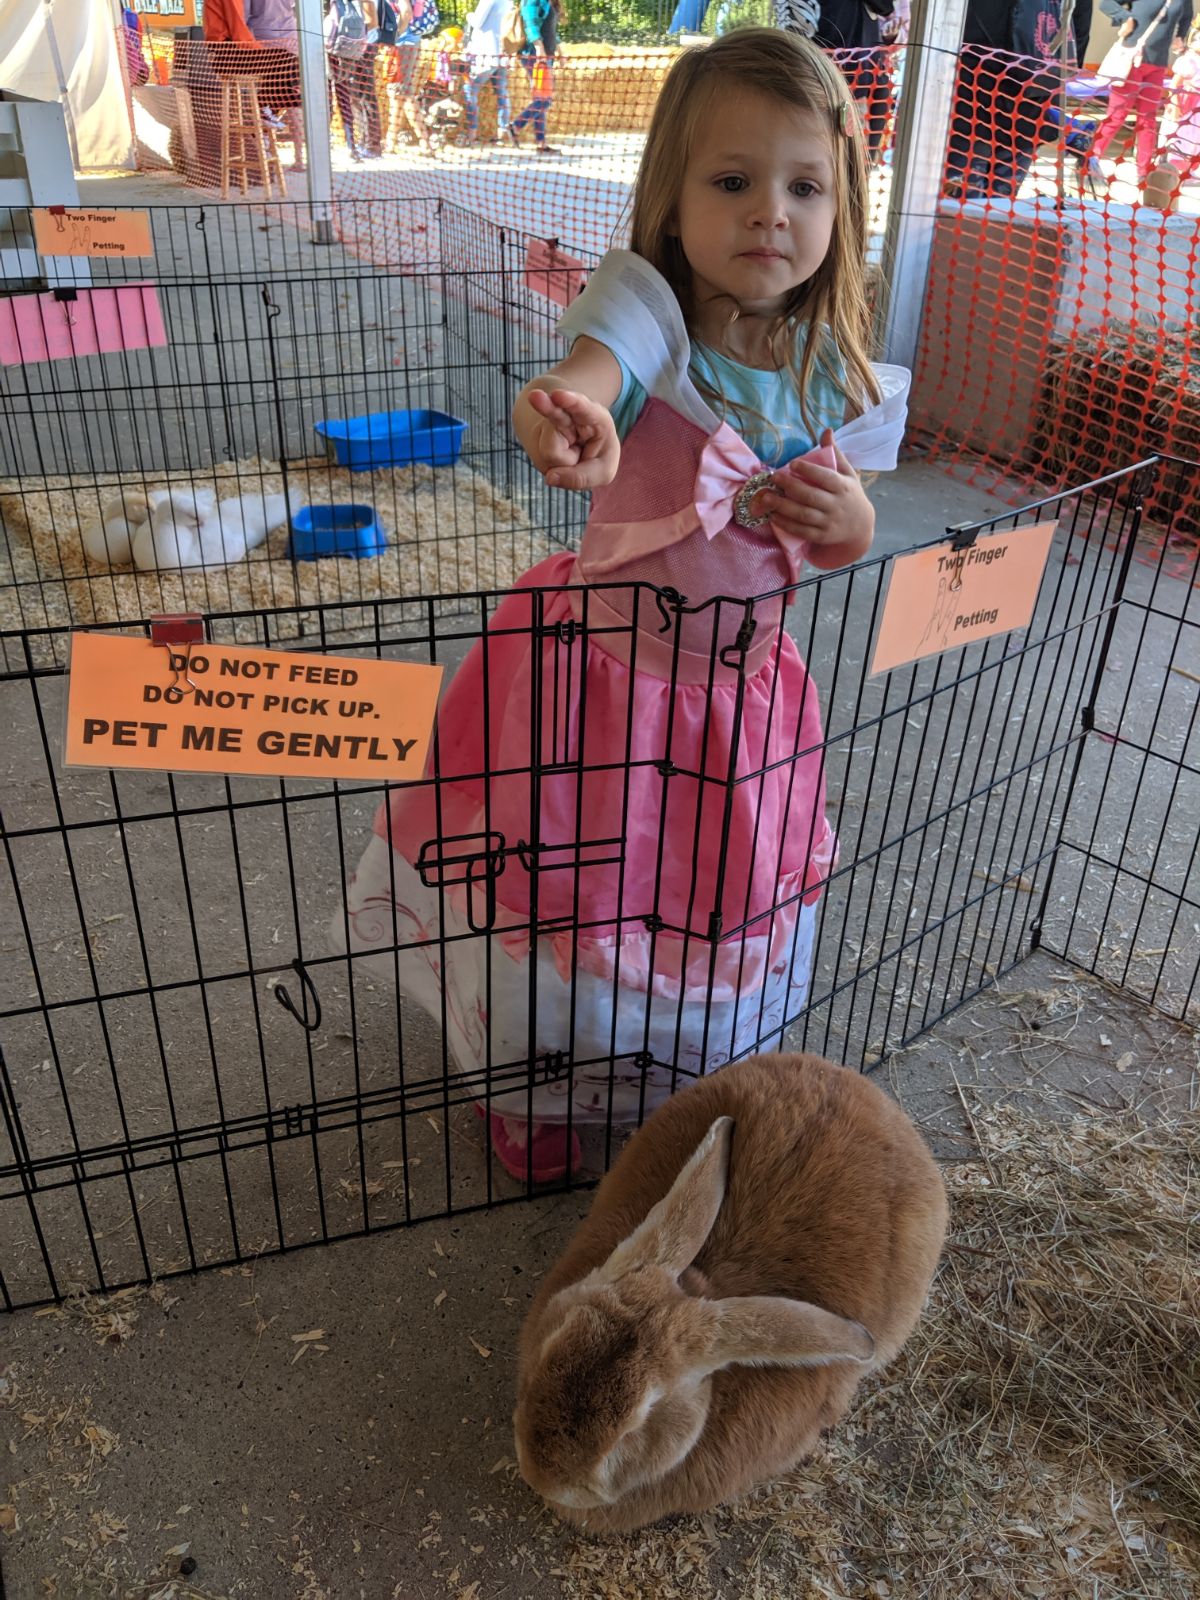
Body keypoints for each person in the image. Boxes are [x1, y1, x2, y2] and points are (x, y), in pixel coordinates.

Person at [335, 28, 908, 1182]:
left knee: (695, 902)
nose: (769, 215)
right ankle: (540, 1088)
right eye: (732, 181)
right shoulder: (646, 314)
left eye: (805, 187)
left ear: (842, 204)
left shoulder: (835, 367)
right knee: (570, 894)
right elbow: (574, 385)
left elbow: (852, 533)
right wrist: (568, 419)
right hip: (593, 683)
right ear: (673, 195)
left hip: (736, 700)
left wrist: (848, 528)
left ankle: (677, 1090)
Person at [1091, 0, 1194, 189]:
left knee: (1148, 120)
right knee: (1116, 116)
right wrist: (1125, 17)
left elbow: (1187, 15)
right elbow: (1106, 4)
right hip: (1133, 60)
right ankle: (1090, 161)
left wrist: (1180, 36)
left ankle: (1143, 173)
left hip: (1158, 64)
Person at [244, 0, 306, 173]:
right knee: (292, 100)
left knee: (266, 97)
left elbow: (244, 14)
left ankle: (264, 151)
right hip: (291, 40)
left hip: (265, 40)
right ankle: (299, 158)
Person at [325, 0, 383, 160]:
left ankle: (372, 144)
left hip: (361, 46)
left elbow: (372, 21)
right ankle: (360, 141)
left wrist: (352, 35)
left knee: (365, 97)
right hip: (346, 47)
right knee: (352, 98)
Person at [384, 0, 439, 156]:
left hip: (402, 44)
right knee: (398, 95)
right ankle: (391, 141)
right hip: (411, 41)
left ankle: (425, 143)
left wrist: (394, 37)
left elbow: (406, 12)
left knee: (404, 94)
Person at [506, 0, 561, 154]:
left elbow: (549, 30)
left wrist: (560, 51)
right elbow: (530, 24)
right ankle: (515, 126)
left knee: (540, 99)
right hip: (534, 55)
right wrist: (539, 49)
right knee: (544, 100)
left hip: (544, 55)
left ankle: (541, 143)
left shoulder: (549, 2)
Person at [461, 0, 511, 144]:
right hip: (502, 54)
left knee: (470, 89)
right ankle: (503, 132)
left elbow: (477, 22)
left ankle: (472, 133)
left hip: (486, 54)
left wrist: (469, 15)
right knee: (502, 94)